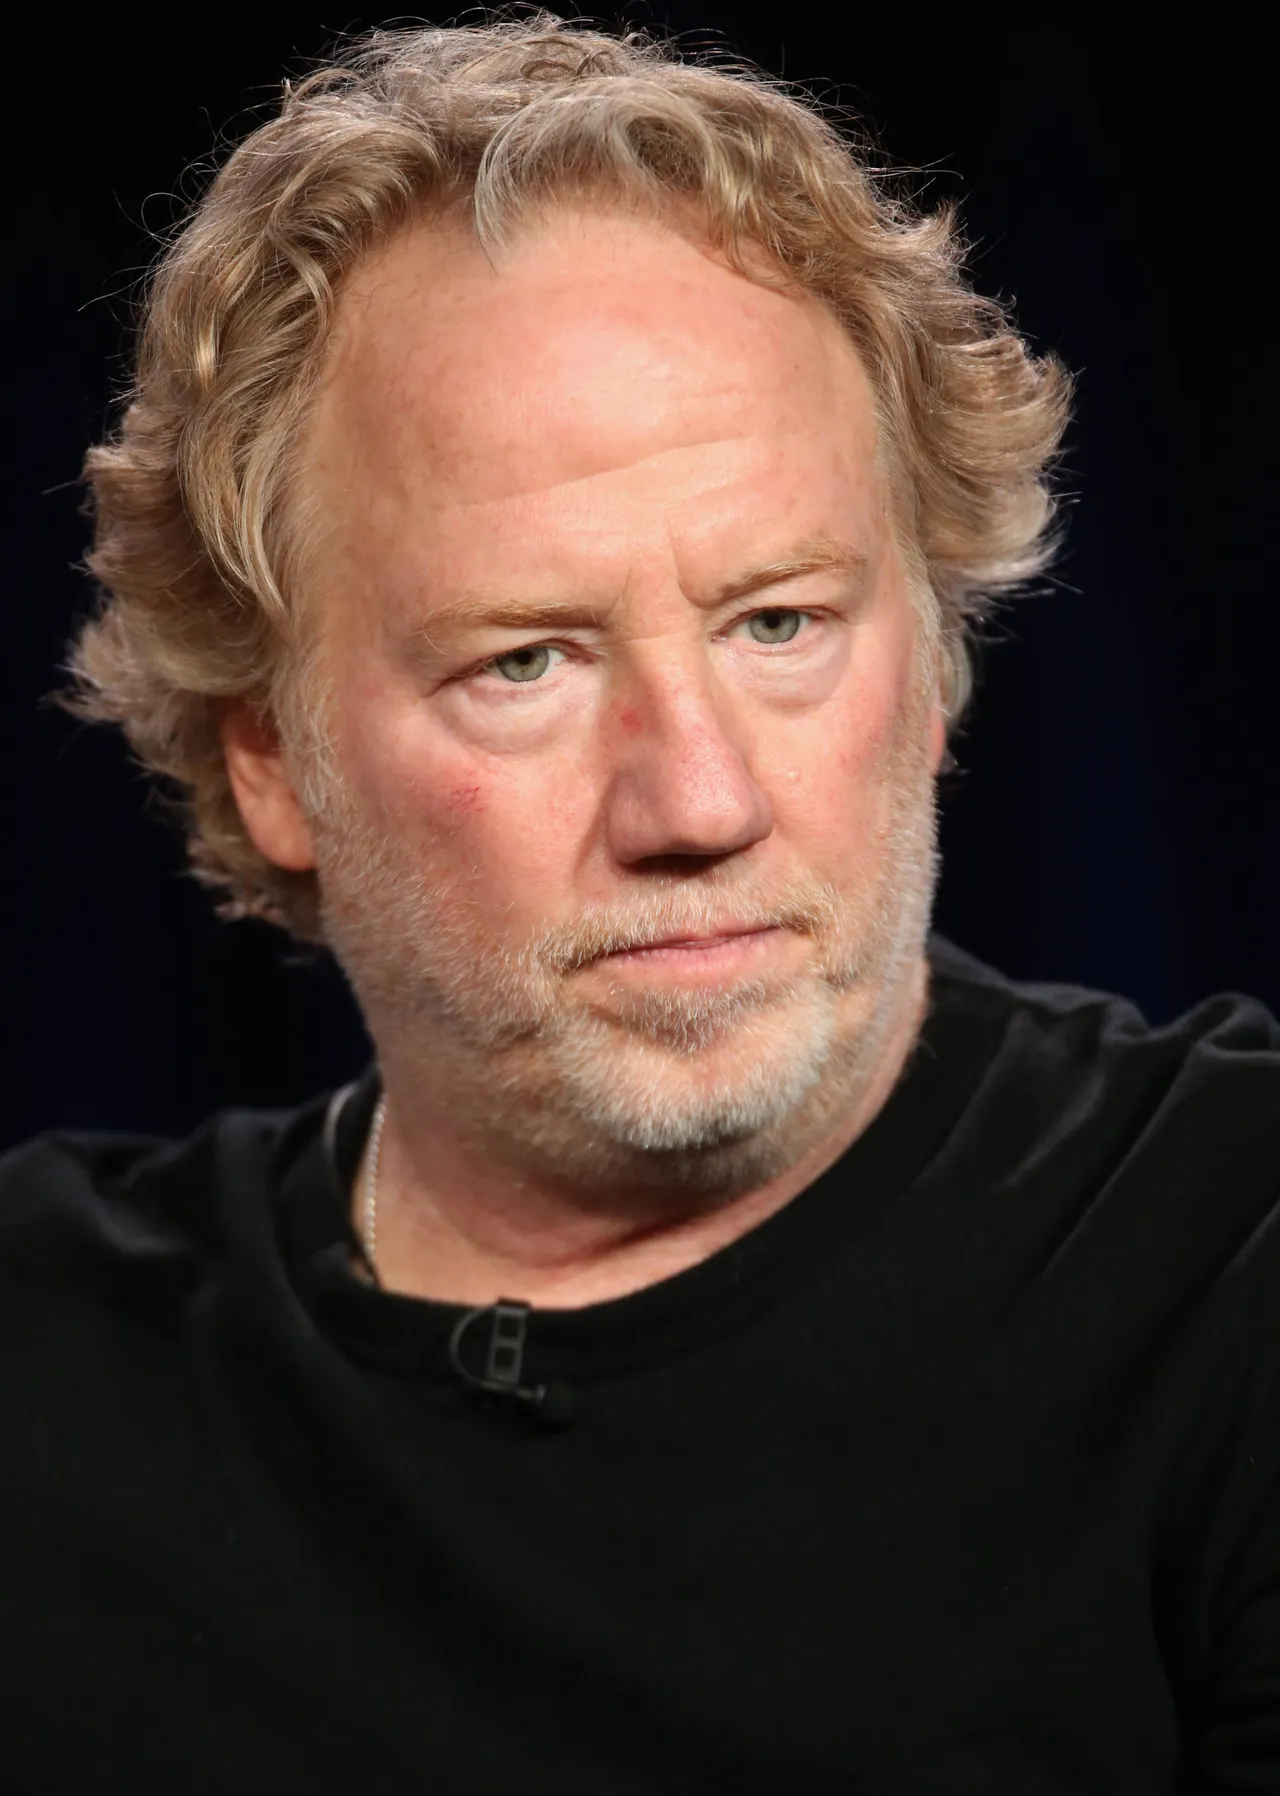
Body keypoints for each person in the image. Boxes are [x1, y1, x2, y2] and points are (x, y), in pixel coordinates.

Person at [2, 13, 1277, 1792]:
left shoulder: (1232, 1269)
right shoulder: (46, 1376)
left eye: (780, 623)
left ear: (929, 667)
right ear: (272, 763)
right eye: (526, 660)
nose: (701, 800)